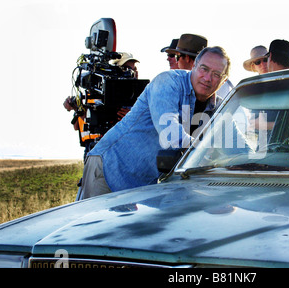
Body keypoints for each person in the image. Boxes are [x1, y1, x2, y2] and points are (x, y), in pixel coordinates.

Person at [78, 46, 231, 200]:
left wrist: (250, 160)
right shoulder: (168, 82)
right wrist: (208, 150)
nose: (207, 78)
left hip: (144, 186)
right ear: (194, 66)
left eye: (216, 74)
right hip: (110, 170)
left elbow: (238, 144)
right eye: (204, 69)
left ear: (224, 80)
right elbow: (171, 135)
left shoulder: (219, 107)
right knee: (93, 223)